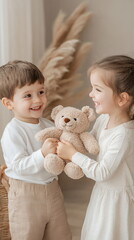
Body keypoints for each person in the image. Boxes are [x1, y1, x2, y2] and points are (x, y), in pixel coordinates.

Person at [57, 55, 134, 240]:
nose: (91, 94)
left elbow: (102, 172)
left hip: (117, 202)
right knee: (96, 232)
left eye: (97, 89)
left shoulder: (124, 134)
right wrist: (69, 139)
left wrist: (73, 154)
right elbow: (90, 144)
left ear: (122, 99)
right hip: (103, 194)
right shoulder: (103, 119)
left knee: (110, 234)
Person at [0, 60, 72, 240]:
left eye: (41, 92)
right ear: (9, 103)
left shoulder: (47, 125)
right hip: (26, 195)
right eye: (28, 95)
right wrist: (42, 154)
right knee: (27, 234)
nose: (38, 100)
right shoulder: (13, 132)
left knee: (61, 233)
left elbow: (57, 157)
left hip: (53, 189)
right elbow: (17, 166)